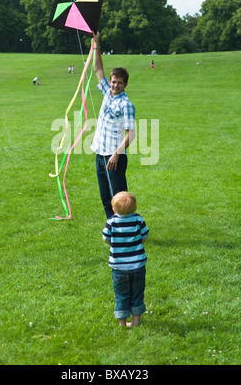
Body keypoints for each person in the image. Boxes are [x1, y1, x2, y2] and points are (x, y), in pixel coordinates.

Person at [91, 31, 136, 219]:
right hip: (100, 154)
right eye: (113, 81)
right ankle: (113, 230)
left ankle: (130, 230)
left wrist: (117, 154)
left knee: (120, 199)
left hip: (114, 157)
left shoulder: (126, 104)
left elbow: (131, 134)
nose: (115, 85)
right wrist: (97, 44)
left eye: (119, 83)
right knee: (105, 198)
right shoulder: (107, 93)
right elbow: (97, 70)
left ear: (125, 84)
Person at [102, 191, 149, 327]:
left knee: (121, 294)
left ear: (114, 209)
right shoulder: (138, 220)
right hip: (138, 266)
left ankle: (122, 323)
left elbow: (106, 238)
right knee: (137, 293)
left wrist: (114, 244)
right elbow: (144, 236)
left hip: (119, 268)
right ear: (135, 208)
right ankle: (135, 322)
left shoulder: (112, 221)